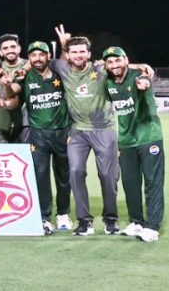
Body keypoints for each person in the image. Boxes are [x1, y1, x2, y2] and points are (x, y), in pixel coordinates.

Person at [51, 25, 119, 236]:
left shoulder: (100, 70)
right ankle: (84, 221)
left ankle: (110, 219)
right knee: (75, 172)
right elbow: (41, 63)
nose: (78, 55)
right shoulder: (63, 68)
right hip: (77, 131)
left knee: (107, 175)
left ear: (89, 54)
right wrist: (63, 45)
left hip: (103, 130)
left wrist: (143, 67)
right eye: (74, 52)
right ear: (68, 55)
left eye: (82, 51)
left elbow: (121, 67)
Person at [8, 41, 72, 234]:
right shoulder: (25, 76)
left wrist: (64, 46)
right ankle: (44, 216)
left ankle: (63, 214)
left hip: (62, 132)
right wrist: (8, 82)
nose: (37, 58)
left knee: (64, 176)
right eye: (33, 55)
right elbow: (12, 91)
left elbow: (66, 61)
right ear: (29, 58)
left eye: (41, 54)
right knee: (40, 176)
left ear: (48, 56)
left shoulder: (60, 74)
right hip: (38, 134)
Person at [104, 46, 164, 242]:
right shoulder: (107, 82)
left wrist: (145, 83)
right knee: (130, 183)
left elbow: (145, 78)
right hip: (125, 140)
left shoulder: (138, 75)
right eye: (110, 62)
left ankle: (152, 227)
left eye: (118, 60)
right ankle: (136, 222)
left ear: (126, 60)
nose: (114, 65)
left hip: (148, 137)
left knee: (153, 183)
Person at [0, 33, 29, 143]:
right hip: (3, 123)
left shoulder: (29, 65)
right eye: (5, 48)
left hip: (26, 123)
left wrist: (24, 70)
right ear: (0, 52)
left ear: (19, 48)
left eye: (13, 47)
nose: (10, 50)